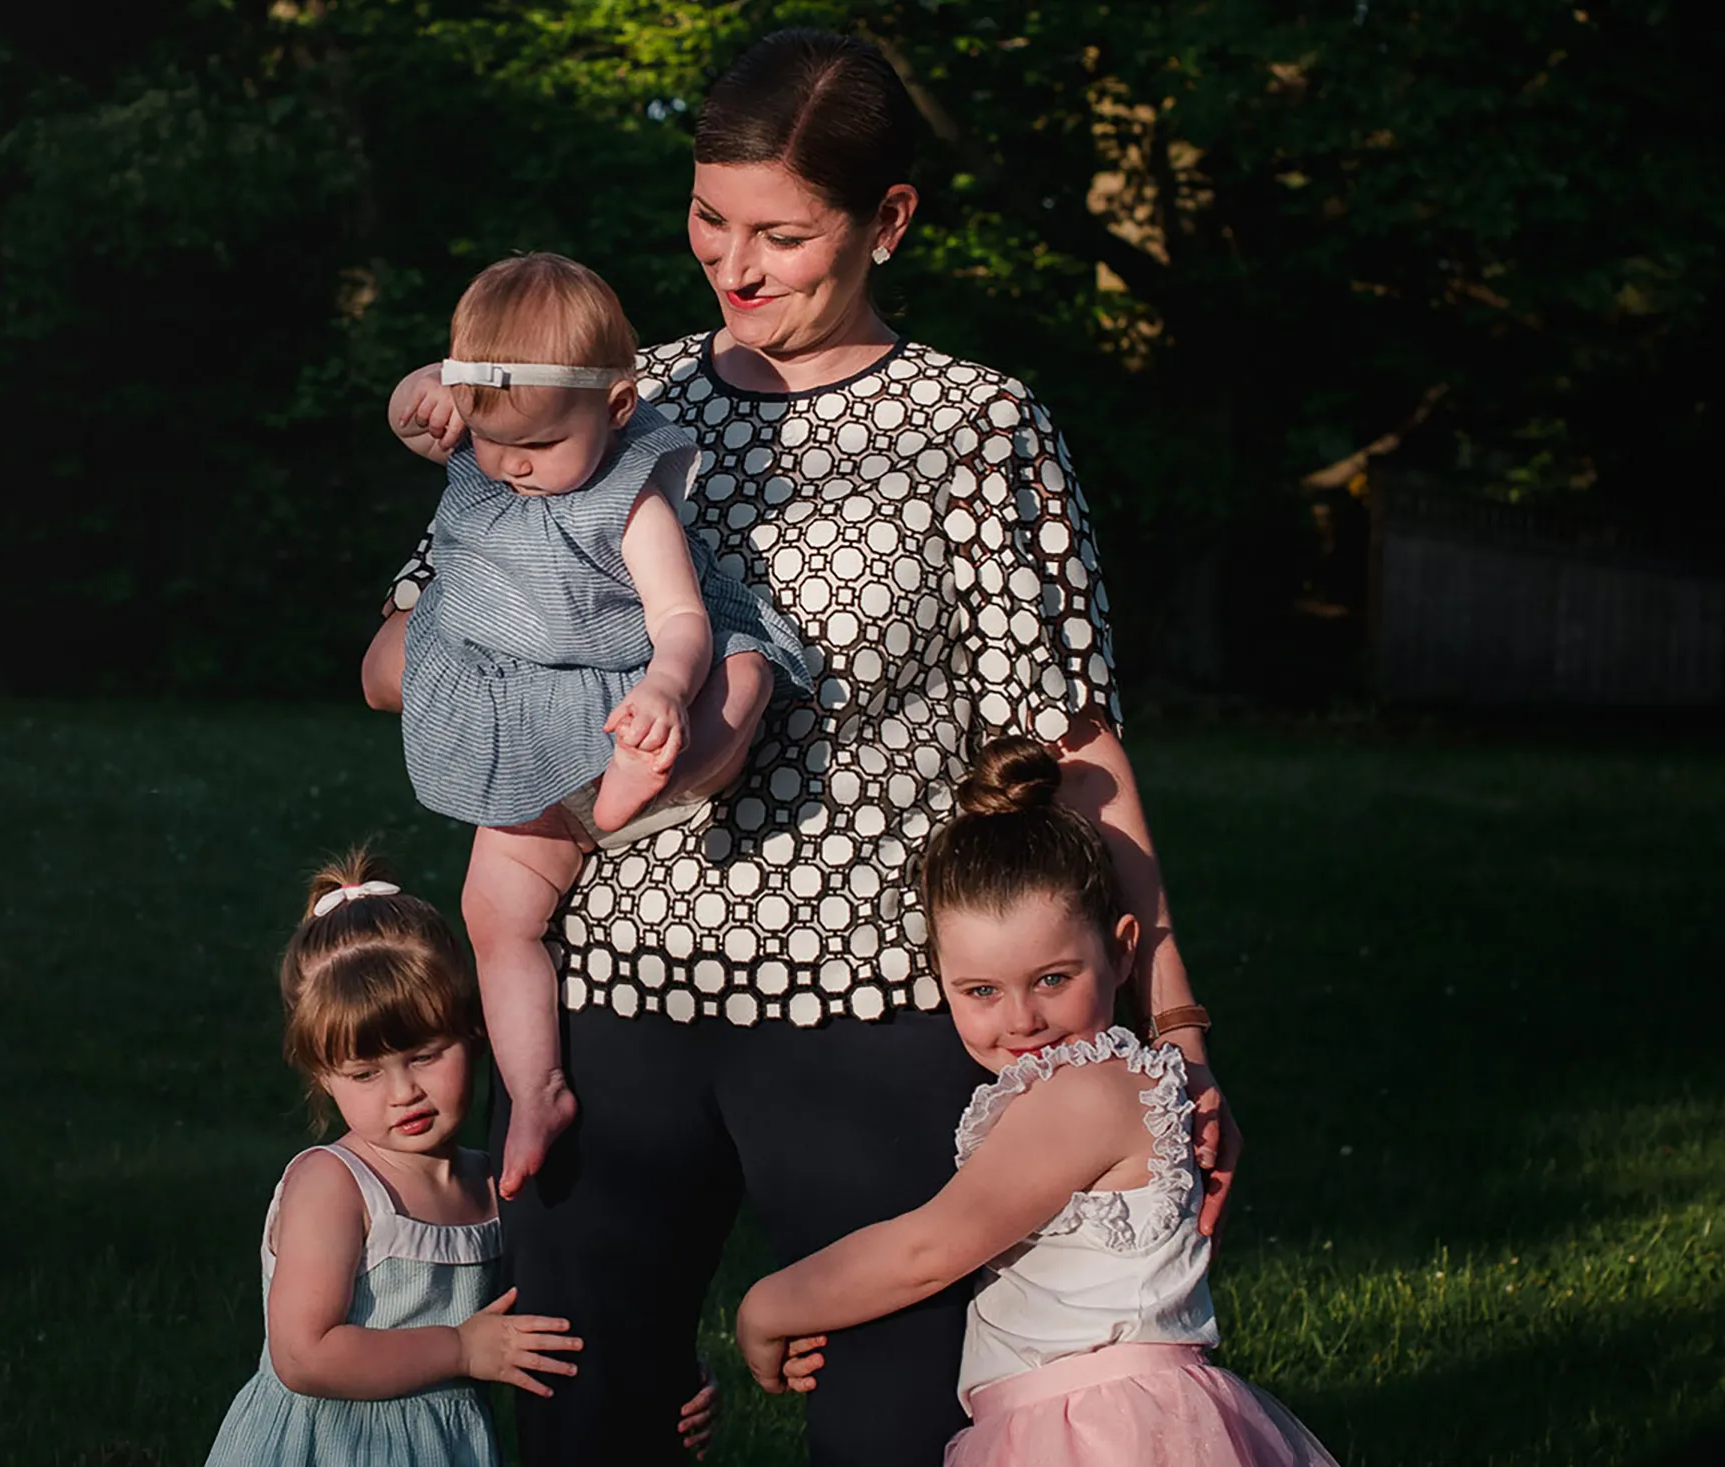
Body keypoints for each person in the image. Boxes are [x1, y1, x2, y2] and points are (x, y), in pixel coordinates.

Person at [365, 29, 1242, 1467]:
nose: (734, 262)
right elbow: (404, 647)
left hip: (877, 1013)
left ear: (889, 219)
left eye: (784, 232)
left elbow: (1073, 747)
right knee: (587, 1420)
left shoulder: (978, 430)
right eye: (711, 217)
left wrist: (1177, 1022)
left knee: (893, 1430)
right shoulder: (606, 392)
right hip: (611, 997)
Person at [733, 739, 1335, 1466]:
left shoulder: (1082, 1095)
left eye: (1052, 978)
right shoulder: (1109, 1082)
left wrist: (766, 1307)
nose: (1020, 1020)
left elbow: (929, 1250)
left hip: (1092, 1435)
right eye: (982, 990)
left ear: (1121, 952)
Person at [379, 253, 811, 1201]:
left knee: (740, 664)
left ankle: (656, 765)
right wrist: (430, 390)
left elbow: (683, 617)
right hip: (521, 715)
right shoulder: (492, 439)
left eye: (535, 444)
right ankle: (536, 1090)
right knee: (493, 917)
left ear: (618, 410)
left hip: (623, 691)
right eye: (492, 444)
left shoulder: (632, 499)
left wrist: (664, 685)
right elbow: (421, 408)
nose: (511, 465)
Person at [202, 850, 716, 1465]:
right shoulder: (335, 1186)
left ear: (474, 1033)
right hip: (327, 1446)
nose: (404, 1092)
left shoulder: (493, 1184)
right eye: (365, 1073)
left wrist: (665, 1374)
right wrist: (462, 1352)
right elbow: (304, 1355)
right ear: (324, 1078)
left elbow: (569, 1308)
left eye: (425, 1055)